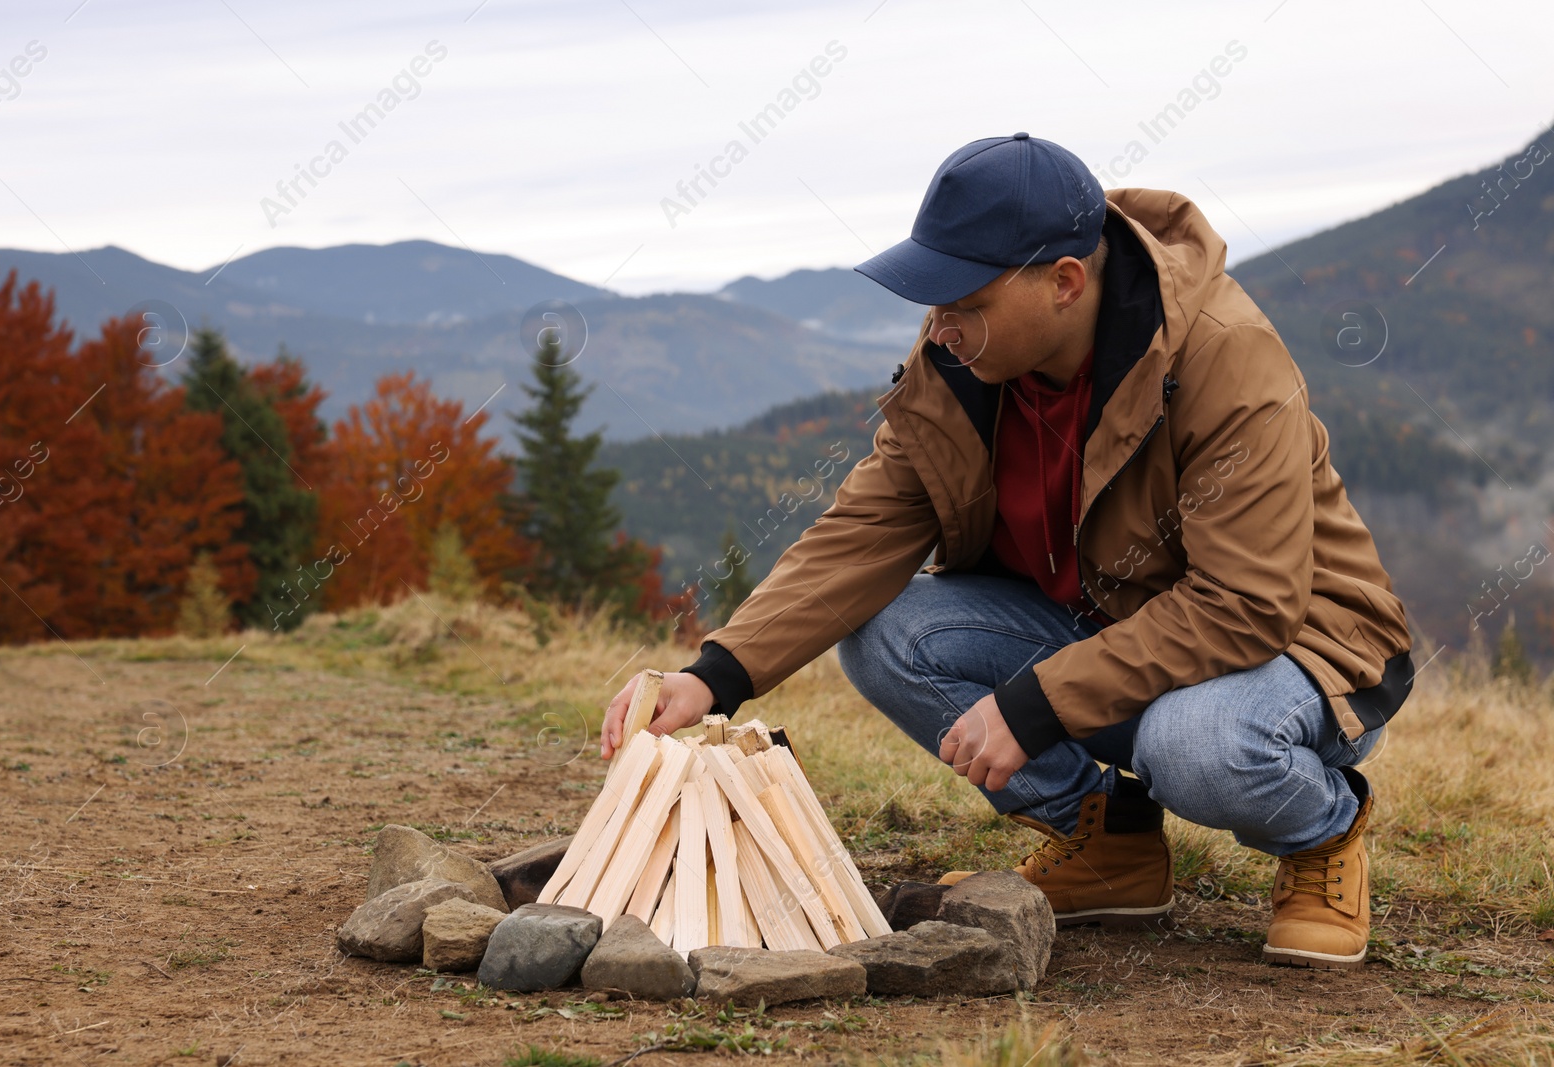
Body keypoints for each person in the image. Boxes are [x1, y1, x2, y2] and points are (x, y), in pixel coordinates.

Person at [600, 133, 1414, 970]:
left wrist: (1035, 704)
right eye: (933, 297)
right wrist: (714, 674)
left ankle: (1324, 831)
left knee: (1192, 747)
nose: (940, 325)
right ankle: (1110, 842)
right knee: (887, 632)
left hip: (1301, 650)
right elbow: (864, 533)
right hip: (1115, 635)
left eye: (964, 300)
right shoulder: (959, 364)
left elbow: (1246, 603)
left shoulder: (1223, 355)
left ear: (1064, 282)